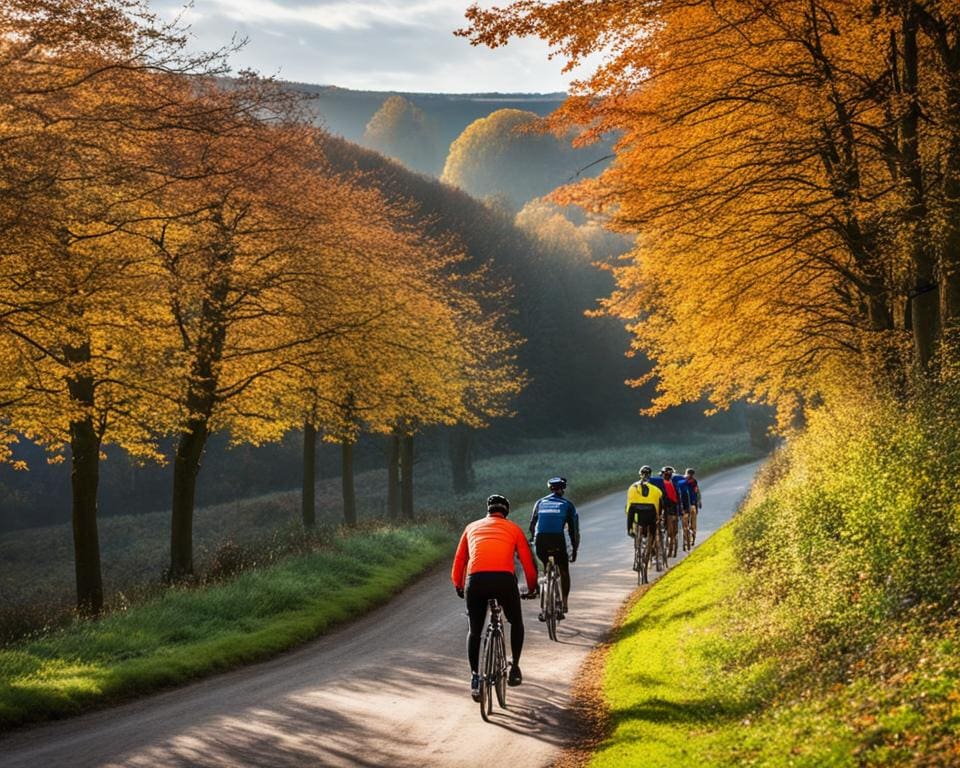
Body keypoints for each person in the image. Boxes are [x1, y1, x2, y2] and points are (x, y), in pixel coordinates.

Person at [451, 493, 538, 701]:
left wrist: (459, 584)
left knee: (474, 630)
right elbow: (527, 562)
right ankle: (514, 667)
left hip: (476, 581)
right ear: (505, 512)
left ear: (488, 511)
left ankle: (474, 676)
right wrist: (532, 587)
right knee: (516, 621)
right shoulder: (514, 528)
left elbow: (460, 560)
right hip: (503, 581)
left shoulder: (471, 527)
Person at [529, 476, 580, 616]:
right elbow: (573, 531)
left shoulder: (539, 503)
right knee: (564, 569)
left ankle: (545, 592)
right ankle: (564, 603)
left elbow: (532, 525)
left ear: (550, 489)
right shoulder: (567, 505)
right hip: (557, 540)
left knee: (545, 563)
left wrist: (533, 539)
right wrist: (574, 550)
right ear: (563, 490)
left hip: (541, 541)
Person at [625, 465, 663, 576]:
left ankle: (637, 551)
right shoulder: (656, 490)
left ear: (640, 474)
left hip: (637, 518)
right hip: (651, 517)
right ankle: (652, 554)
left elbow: (628, 509)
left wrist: (629, 528)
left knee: (634, 523)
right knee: (652, 533)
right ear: (650, 475)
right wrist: (659, 517)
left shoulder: (632, 488)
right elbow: (660, 506)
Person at [649, 466, 688, 558]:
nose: (667, 475)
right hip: (667, 508)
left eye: (668, 474)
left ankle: (666, 543)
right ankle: (666, 543)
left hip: (669, 508)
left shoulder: (663, 482)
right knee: (666, 528)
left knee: (668, 529)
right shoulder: (664, 482)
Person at [683, 467, 702, 547]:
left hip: (685, 505)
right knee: (693, 523)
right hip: (693, 505)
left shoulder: (682, 481)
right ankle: (693, 537)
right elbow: (697, 493)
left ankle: (685, 538)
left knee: (684, 523)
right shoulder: (694, 482)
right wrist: (699, 502)